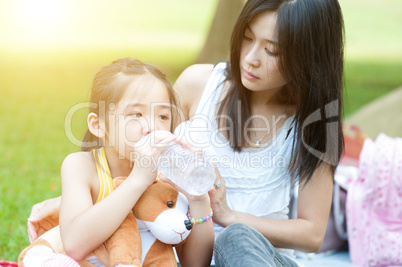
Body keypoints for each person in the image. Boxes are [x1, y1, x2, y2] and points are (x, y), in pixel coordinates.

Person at [27, 0, 345, 266]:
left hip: (258, 256)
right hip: (194, 252)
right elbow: (133, 145)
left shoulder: (318, 124)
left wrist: (227, 215)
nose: (250, 58)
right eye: (247, 38)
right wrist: (75, 201)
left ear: (308, 57)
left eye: (272, 51)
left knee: (236, 239)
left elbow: (313, 234)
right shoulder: (198, 84)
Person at [27, 58, 214, 266]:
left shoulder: (167, 174)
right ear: (98, 125)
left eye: (163, 116)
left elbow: (196, 264)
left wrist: (199, 200)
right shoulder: (82, 167)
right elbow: (74, 244)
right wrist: (138, 179)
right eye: (136, 114)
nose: (152, 126)